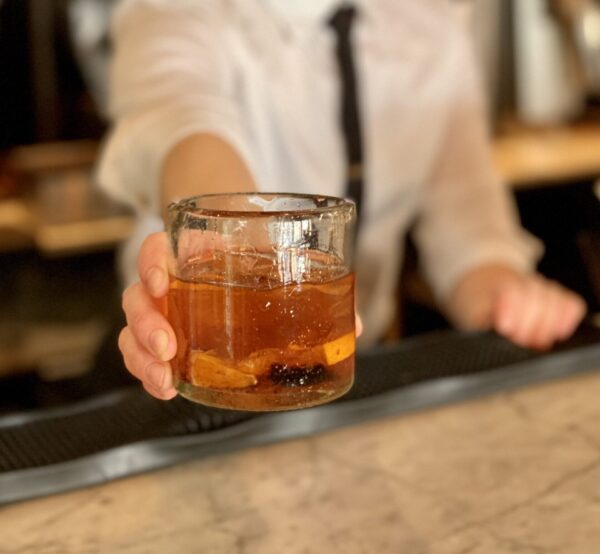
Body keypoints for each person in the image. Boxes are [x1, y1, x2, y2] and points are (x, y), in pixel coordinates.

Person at [98, 0, 586, 400]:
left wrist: (506, 297)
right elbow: (188, 126)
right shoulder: (173, 12)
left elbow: (467, 227)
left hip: (337, 376)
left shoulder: (435, 22)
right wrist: (225, 255)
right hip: (193, 366)